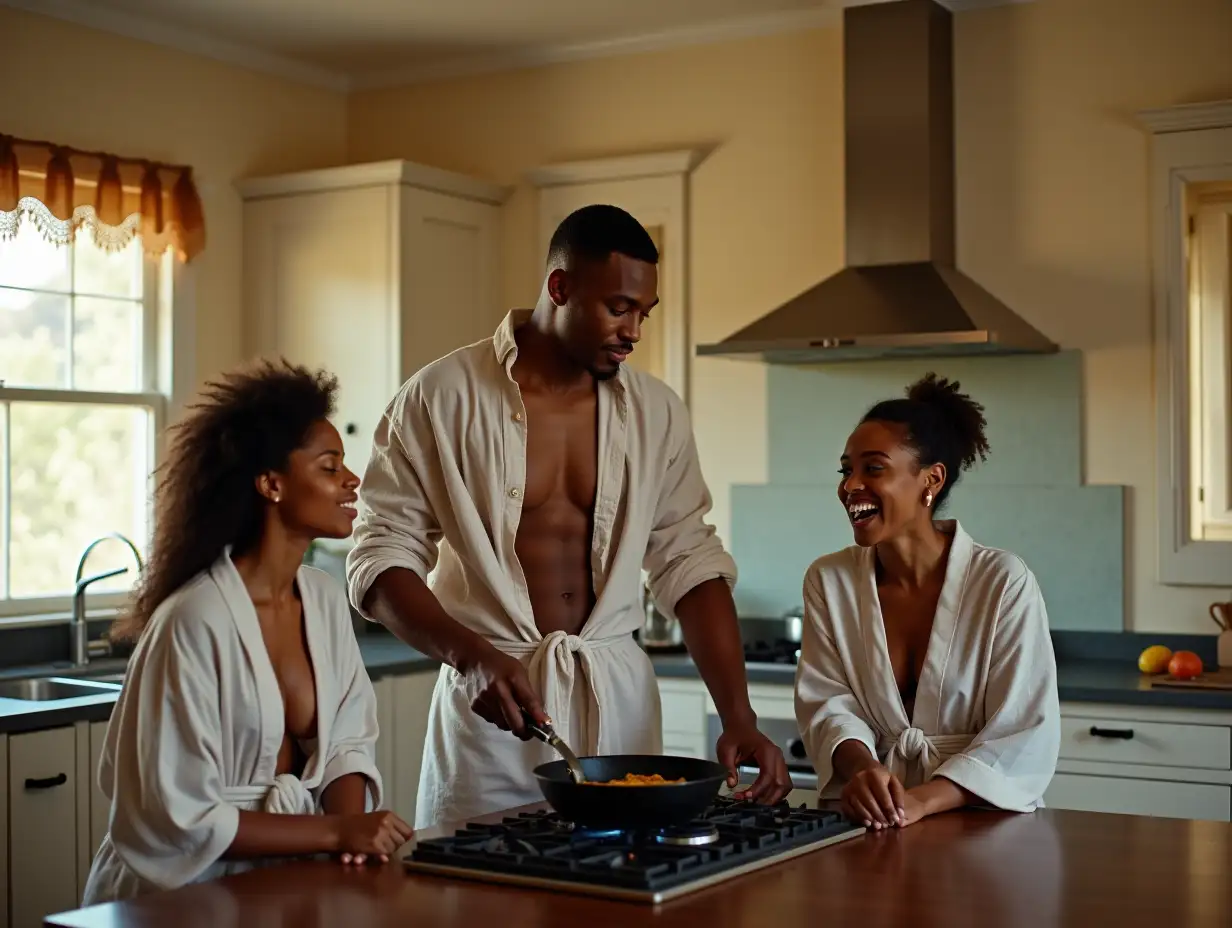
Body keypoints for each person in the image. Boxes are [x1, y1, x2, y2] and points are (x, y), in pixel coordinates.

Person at [346, 204, 791, 828]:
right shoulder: (441, 397)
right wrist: (471, 656)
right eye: (619, 308)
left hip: (619, 708)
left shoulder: (656, 412)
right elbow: (380, 555)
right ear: (560, 288)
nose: (634, 330)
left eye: (644, 313)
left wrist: (738, 714)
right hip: (491, 712)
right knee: (486, 898)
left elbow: (689, 557)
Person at [83, 360, 413, 905]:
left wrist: (352, 846)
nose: (352, 480)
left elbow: (346, 746)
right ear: (271, 484)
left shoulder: (325, 601)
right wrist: (334, 833)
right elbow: (177, 814)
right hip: (177, 895)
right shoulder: (195, 620)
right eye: (330, 468)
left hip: (289, 883)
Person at [793, 373, 1060, 830]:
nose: (850, 485)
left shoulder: (1001, 582)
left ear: (930, 479)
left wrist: (920, 801)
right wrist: (863, 770)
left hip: (977, 824)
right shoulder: (829, 580)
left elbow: (1022, 733)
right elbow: (827, 704)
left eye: (873, 469)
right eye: (846, 470)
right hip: (868, 823)